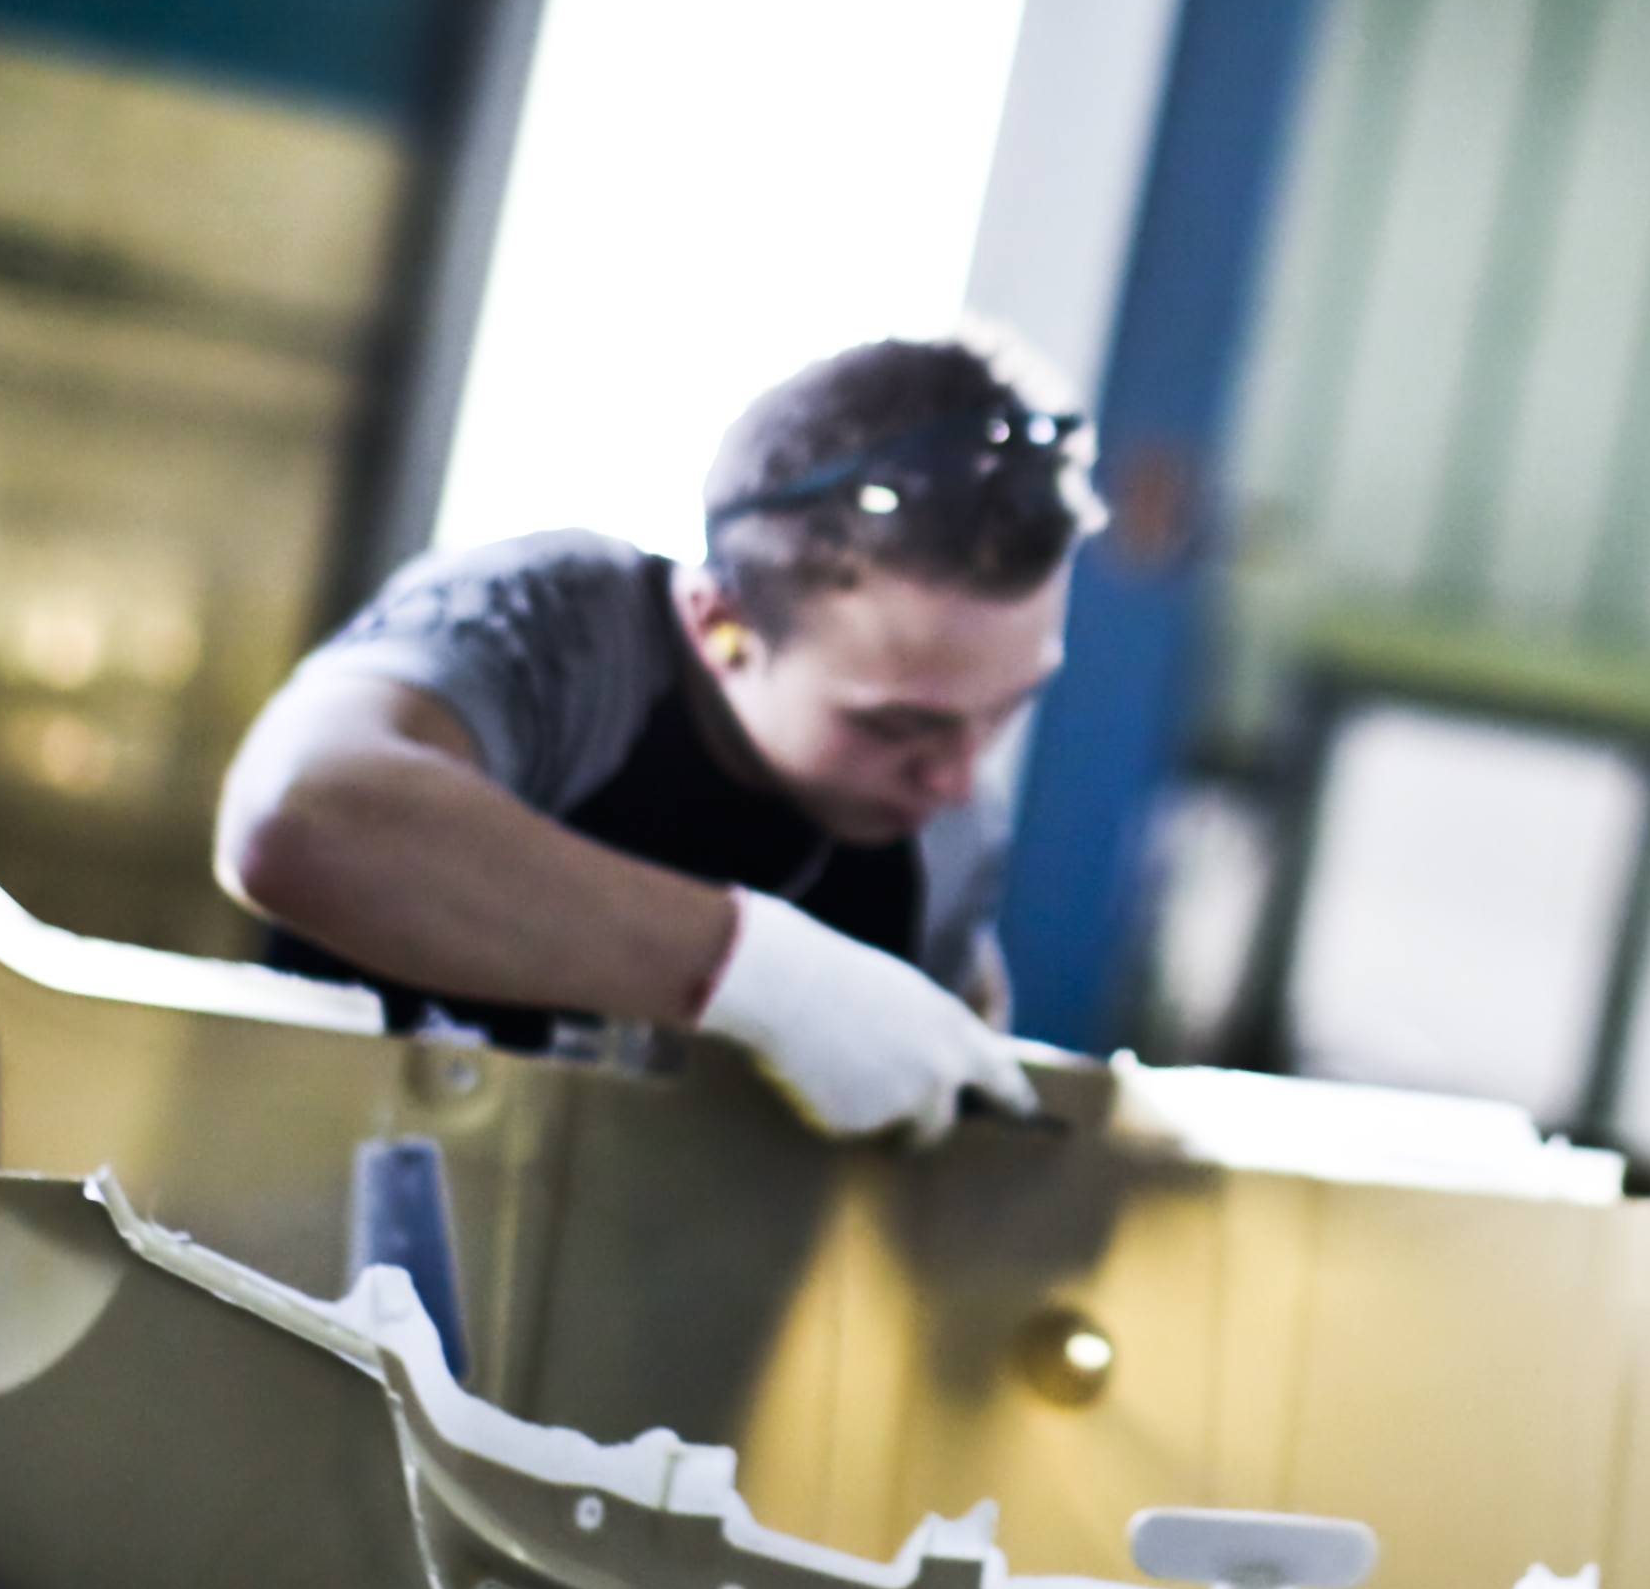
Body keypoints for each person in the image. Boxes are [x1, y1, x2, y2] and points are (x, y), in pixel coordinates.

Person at [216, 333, 1093, 1145]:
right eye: (897, 725)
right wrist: (773, 981)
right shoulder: (558, 632)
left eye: (1004, 710)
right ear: (720, 625)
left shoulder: (945, 846)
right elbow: (301, 816)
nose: (956, 778)